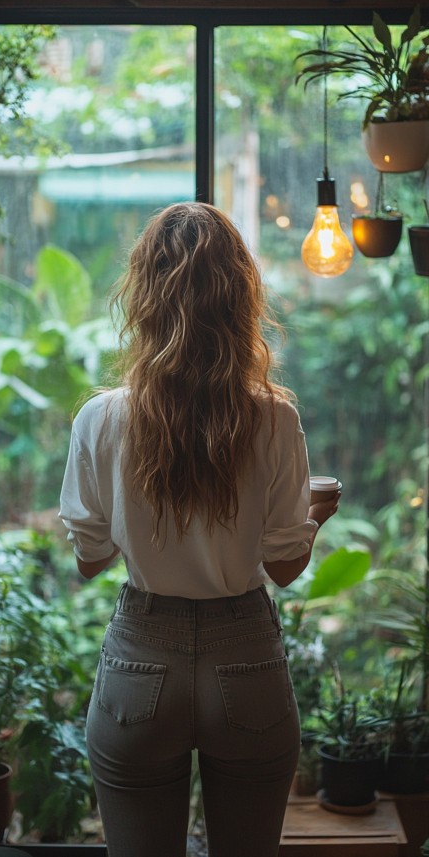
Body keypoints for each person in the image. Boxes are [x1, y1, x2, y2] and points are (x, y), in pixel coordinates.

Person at [59, 202, 340, 857]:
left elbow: (91, 558)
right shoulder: (274, 420)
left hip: (141, 659)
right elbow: (284, 567)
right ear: (239, 297)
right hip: (244, 658)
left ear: (143, 296)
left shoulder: (99, 420)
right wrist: (314, 517)